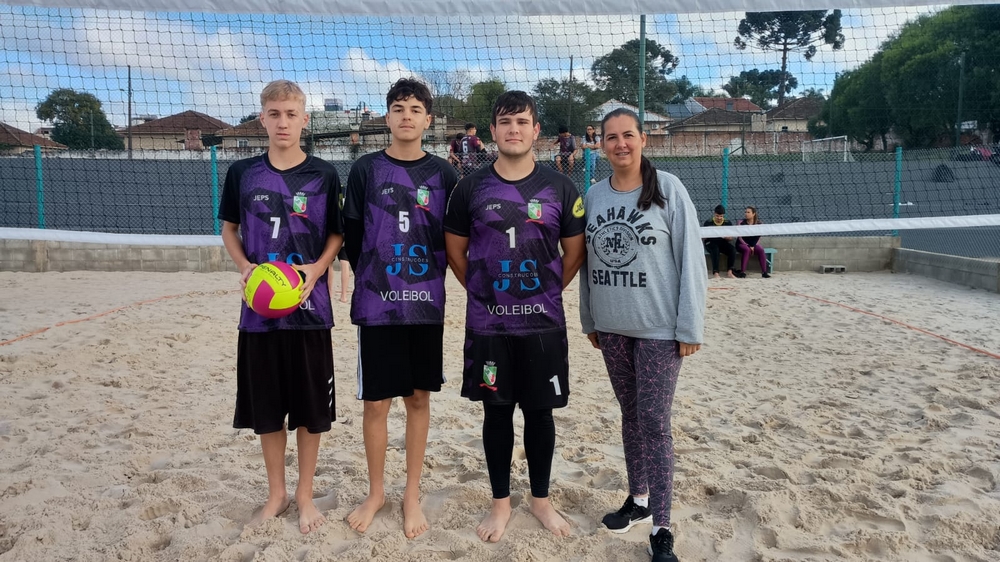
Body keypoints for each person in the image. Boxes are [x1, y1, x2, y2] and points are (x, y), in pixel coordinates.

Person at [444, 90, 586, 543]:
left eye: (522, 122)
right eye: (505, 122)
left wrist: (545, 291)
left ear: (536, 130)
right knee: (497, 412)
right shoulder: (471, 187)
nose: (513, 129)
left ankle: (540, 500)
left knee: (540, 414)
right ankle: (500, 503)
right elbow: (455, 251)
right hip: (490, 325)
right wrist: (484, 292)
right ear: (492, 131)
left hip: (542, 322)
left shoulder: (560, 187)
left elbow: (574, 252)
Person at [579, 108, 706, 562]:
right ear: (601, 144)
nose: (620, 144)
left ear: (643, 139)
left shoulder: (668, 189)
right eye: (611, 137)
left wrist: (689, 326)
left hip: (658, 330)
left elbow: (692, 260)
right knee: (630, 415)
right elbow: (587, 264)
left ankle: (662, 526)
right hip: (612, 328)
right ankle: (638, 499)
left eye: (628, 135)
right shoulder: (594, 195)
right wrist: (590, 319)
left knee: (654, 422)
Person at [217, 79, 343, 535]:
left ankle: (305, 494)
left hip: (310, 310)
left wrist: (317, 269)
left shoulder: (324, 174)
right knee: (268, 410)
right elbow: (229, 228)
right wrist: (245, 267)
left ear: (305, 119)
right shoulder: (243, 173)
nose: (283, 122)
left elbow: (337, 233)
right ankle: (277, 493)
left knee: (311, 411)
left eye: (291, 114)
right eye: (274, 114)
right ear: (262, 119)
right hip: (259, 312)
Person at [342, 78, 459, 539]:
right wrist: (377, 276)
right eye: (398, 108)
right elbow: (353, 234)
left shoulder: (444, 175)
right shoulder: (366, 170)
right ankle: (376, 493)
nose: (406, 116)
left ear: (428, 120)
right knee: (376, 403)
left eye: (415, 109)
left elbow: (455, 239)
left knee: (418, 399)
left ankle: (411, 493)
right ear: (387, 117)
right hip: (378, 305)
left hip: (425, 305)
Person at [703, 205, 739, 279]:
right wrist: (711, 234)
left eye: (721, 216)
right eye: (717, 216)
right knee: (715, 249)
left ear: (723, 215)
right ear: (714, 214)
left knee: (732, 250)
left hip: (722, 242)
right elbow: (703, 237)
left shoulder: (727, 223)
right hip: (710, 242)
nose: (719, 218)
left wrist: (727, 237)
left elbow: (730, 238)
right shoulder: (708, 222)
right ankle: (716, 273)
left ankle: (730, 271)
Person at [736, 206, 770, 278]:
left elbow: (758, 237)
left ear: (753, 214)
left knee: (760, 249)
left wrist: (753, 246)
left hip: (753, 244)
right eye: (745, 212)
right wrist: (748, 246)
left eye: (748, 212)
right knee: (747, 249)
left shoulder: (759, 224)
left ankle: (764, 272)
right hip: (742, 243)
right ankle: (742, 272)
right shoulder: (741, 222)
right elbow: (740, 237)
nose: (746, 214)